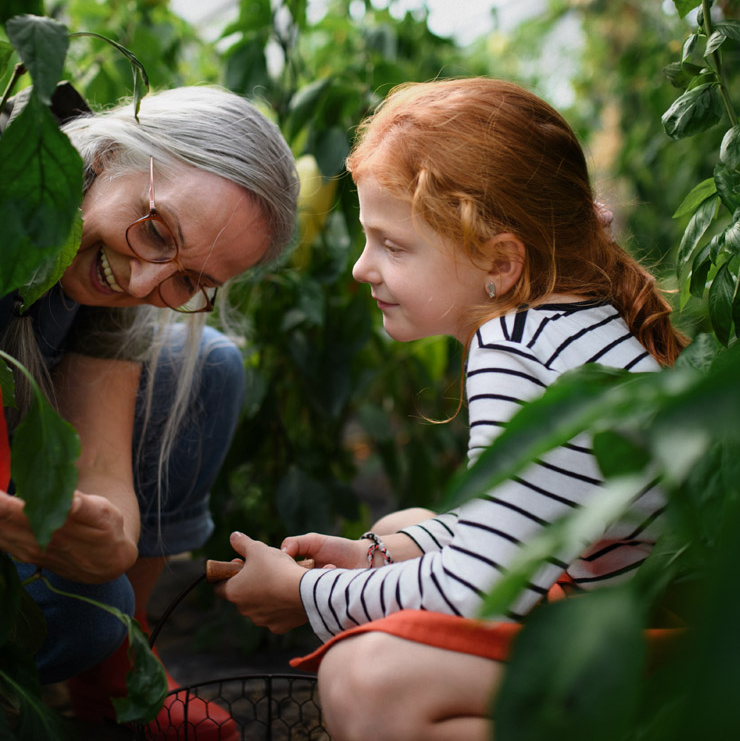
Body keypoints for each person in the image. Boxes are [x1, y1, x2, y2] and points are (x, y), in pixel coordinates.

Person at [214, 77, 688, 741]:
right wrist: (375, 554)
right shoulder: (580, 318)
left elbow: (479, 590)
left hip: (656, 655)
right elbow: (529, 517)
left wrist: (303, 594)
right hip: (642, 617)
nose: (360, 268)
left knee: (364, 679)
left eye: (392, 244)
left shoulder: (512, 343)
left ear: (499, 260)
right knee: (404, 527)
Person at [0, 83, 299, 737]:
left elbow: (103, 471)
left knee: (209, 366)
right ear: (113, 150)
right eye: (155, 230)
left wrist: (104, 541)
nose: (147, 283)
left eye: (190, 281)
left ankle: (120, 669)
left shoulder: (105, 263)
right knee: (83, 615)